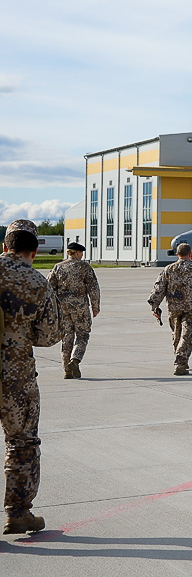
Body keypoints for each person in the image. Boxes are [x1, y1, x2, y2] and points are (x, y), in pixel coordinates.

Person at [1, 219, 62, 534]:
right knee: (22, 442)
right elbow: (50, 335)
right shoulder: (37, 282)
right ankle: (18, 512)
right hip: (16, 377)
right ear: (35, 251)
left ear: (4, 246)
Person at [146, 242, 192, 375]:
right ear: (190, 254)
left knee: (177, 335)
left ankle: (179, 358)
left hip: (173, 308)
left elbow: (158, 289)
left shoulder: (168, 269)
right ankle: (181, 362)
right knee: (187, 335)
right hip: (191, 308)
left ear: (177, 254)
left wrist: (154, 306)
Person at [47, 242, 100, 379]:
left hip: (63, 307)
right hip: (80, 307)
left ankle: (67, 370)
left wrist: (52, 307)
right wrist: (95, 306)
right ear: (76, 253)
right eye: (81, 253)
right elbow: (93, 288)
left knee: (66, 336)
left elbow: (49, 288)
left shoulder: (58, 267)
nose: (82, 255)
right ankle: (75, 360)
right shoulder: (84, 267)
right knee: (83, 335)